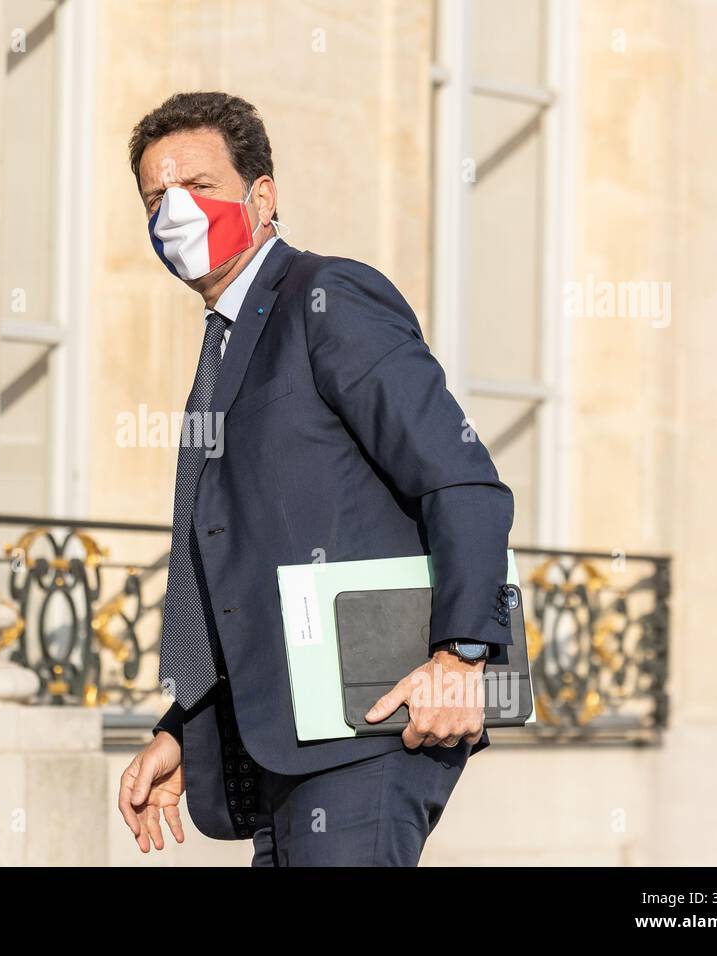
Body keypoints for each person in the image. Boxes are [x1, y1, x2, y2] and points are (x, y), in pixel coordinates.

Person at [116, 92, 515, 866]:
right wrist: (183, 726)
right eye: (155, 198)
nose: (175, 213)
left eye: (197, 186)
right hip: (284, 753)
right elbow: (252, 564)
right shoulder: (226, 345)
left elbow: (462, 478)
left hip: (370, 730)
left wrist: (461, 655)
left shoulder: (328, 300)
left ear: (262, 195)